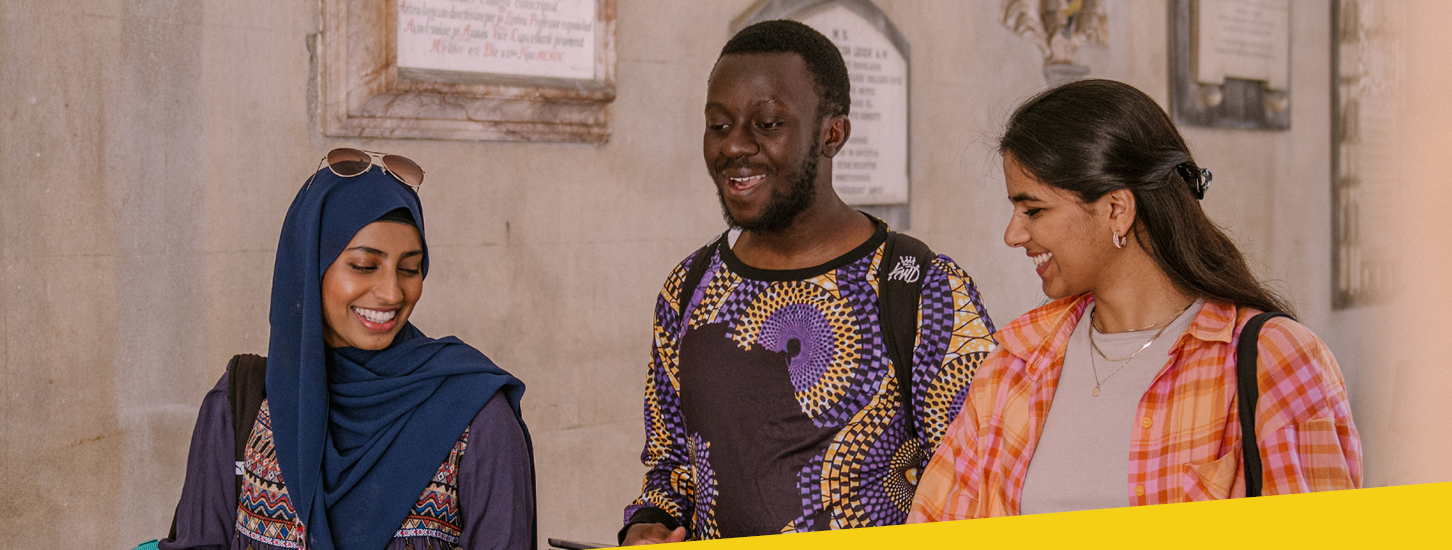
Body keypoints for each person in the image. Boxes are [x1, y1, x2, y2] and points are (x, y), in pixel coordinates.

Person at [910, 79, 1361, 521]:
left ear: (1116, 209)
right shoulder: (1015, 362)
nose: (1014, 235)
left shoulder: (1275, 362)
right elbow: (936, 523)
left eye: (1034, 210)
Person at [619, 20, 997, 544]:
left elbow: (976, 487)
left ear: (832, 134)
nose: (734, 147)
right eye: (719, 125)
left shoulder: (920, 288)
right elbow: (670, 468)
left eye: (768, 124)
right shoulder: (689, 287)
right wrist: (649, 524)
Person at [159, 150, 536, 550]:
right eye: (363, 265)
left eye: (409, 269)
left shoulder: (474, 415)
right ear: (309, 268)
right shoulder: (242, 406)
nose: (392, 293)